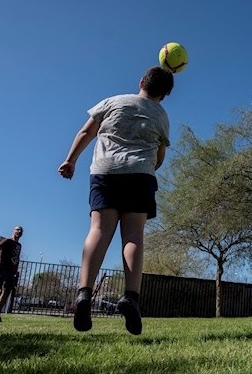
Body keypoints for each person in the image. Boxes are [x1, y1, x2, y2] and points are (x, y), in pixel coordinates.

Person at [58, 66, 174, 335]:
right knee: (133, 235)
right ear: (165, 95)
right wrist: (146, 169)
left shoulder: (113, 102)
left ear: (141, 81)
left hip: (105, 171)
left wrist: (70, 160)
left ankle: (84, 294)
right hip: (140, 175)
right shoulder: (161, 115)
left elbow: (86, 131)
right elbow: (159, 156)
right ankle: (131, 297)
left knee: (98, 230)